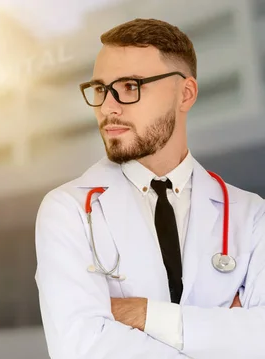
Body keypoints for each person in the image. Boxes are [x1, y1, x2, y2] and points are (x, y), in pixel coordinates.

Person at [34, 18, 265, 359]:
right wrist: (223, 333)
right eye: (100, 89)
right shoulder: (67, 210)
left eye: (130, 86)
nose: (108, 108)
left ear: (185, 94)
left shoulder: (251, 215)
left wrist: (141, 313)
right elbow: (81, 348)